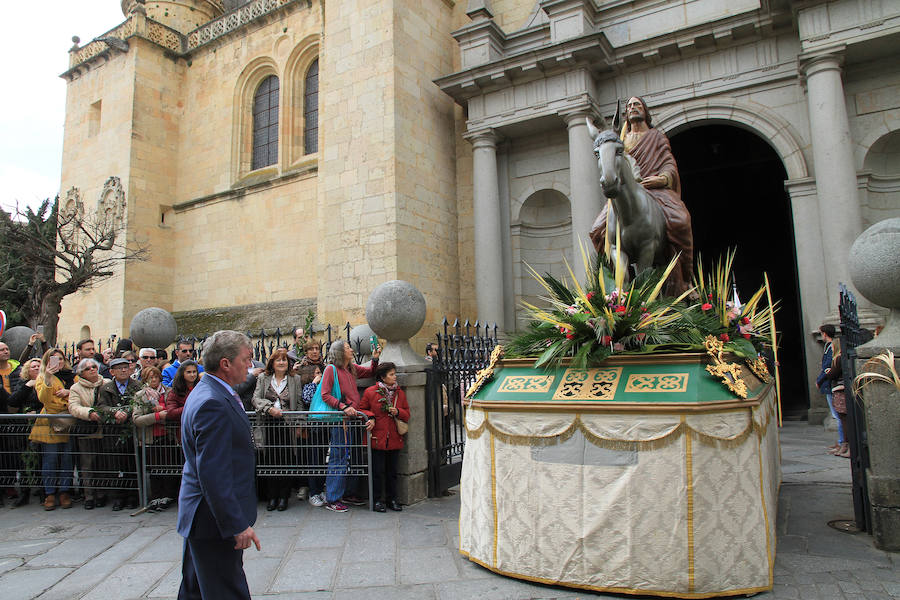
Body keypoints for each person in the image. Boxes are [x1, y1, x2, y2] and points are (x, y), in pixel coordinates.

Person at [177, 330, 260, 600]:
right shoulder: (212, 402)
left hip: (202, 517)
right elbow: (214, 473)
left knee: (196, 589)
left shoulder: (210, 392)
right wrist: (236, 524)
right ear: (225, 364)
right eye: (246, 359)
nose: (251, 365)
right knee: (226, 590)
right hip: (212, 521)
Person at [589, 96, 693, 293]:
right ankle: (611, 284)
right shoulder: (621, 139)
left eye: (637, 105)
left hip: (654, 188)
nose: (632, 108)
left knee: (681, 220)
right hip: (626, 189)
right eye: (629, 106)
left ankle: (686, 279)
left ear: (645, 110)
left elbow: (668, 162)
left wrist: (662, 178)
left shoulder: (656, 136)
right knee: (597, 231)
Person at [316, 339, 380, 512]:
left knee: (349, 456)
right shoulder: (331, 369)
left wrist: (374, 358)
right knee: (339, 457)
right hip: (341, 420)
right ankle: (333, 498)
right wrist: (344, 407)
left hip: (352, 420)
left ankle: (346, 493)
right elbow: (325, 394)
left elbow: (369, 371)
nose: (351, 350)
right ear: (339, 352)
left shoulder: (350, 368)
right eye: (347, 348)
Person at [252, 348, 304, 511]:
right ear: (272, 363)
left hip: (287, 425)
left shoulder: (295, 379)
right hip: (268, 424)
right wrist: (268, 408)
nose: (282, 363)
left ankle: (284, 497)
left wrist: (299, 423)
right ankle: (272, 496)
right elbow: (256, 398)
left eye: (284, 360)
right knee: (270, 460)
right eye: (278, 360)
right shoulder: (263, 378)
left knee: (286, 460)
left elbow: (300, 403)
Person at [29, 348, 77, 511]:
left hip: (67, 423)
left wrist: (68, 392)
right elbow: (45, 399)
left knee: (66, 459)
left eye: (60, 358)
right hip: (49, 423)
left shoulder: (71, 376)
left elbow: (80, 395)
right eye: (53, 359)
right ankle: (50, 493)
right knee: (50, 459)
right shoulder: (42, 376)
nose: (58, 362)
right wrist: (49, 377)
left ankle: (64, 491)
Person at [358, 362, 409, 512]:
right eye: (391, 374)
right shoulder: (371, 392)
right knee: (377, 472)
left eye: (395, 374)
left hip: (394, 437)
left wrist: (398, 412)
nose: (395, 377)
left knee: (392, 472)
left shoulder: (400, 393)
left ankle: (392, 499)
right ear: (383, 377)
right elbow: (361, 410)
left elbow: (407, 413)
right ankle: (377, 500)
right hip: (377, 437)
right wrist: (371, 417)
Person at [96, 357, 142, 510]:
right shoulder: (106, 388)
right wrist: (115, 412)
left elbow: (139, 403)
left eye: (126, 367)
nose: (123, 370)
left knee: (132, 465)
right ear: (111, 371)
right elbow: (101, 407)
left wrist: (127, 412)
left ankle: (132, 496)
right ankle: (118, 497)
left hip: (130, 432)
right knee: (115, 466)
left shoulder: (137, 386)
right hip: (113, 433)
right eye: (119, 368)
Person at [133, 366, 178, 505]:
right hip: (151, 437)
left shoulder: (169, 392)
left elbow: (175, 410)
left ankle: (168, 495)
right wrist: (156, 416)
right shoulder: (140, 395)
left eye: (156, 377)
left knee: (170, 466)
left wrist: (165, 411)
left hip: (168, 435)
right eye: (150, 377)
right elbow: (137, 419)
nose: (153, 380)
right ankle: (156, 495)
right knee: (154, 467)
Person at [67, 358, 107, 509]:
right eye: (88, 368)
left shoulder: (107, 383)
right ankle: (89, 495)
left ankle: (103, 493)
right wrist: (88, 412)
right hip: (87, 430)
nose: (92, 370)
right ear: (81, 373)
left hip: (106, 430)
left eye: (94, 367)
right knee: (87, 464)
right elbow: (73, 406)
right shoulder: (76, 388)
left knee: (103, 463)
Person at [301, 366, 327, 506]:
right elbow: (307, 399)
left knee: (322, 459)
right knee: (313, 459)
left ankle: (320, 488)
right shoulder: (309, 386)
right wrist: (314, 383)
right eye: (317, 373)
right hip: (312, 428)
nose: (320, 375)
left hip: (323, 425)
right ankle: (313, 492)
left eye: (320, 372)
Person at [816, 325, 843, 454]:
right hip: (828, 382)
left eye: (821, 333)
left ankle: (843, 442)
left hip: (830, 383)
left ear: (825, 334)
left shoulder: (831, 347)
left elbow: (827, 366)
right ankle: (841, 441)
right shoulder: (828, 346)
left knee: (837, 415)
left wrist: (819, 380)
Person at [165, 360, 201, 438]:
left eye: (194, 372)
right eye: (188, 372)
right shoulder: (175, 392)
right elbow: (171, 412)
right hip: (185, 432)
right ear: (182, 373)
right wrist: (190, 407)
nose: (192, 375)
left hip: (201, 429)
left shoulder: (201, 388)